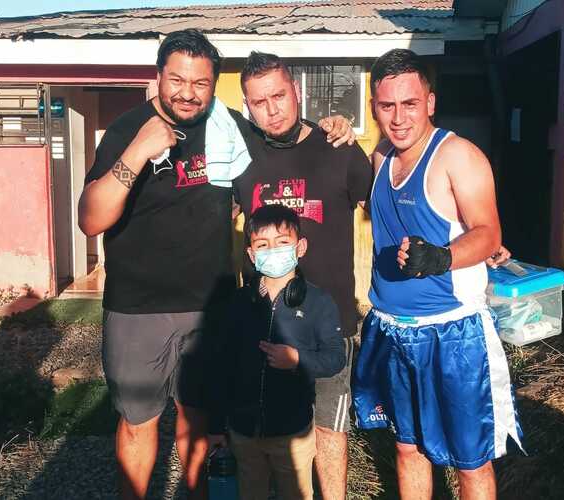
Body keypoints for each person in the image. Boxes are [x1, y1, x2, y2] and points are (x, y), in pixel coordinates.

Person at [77, 29, 355, 500]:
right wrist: (138, 151)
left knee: (200, 420)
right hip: (138, 308)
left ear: (213, 85)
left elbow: (280, 135)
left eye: (201, 83)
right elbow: (90, 219)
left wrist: (333, 125)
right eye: (177, 80)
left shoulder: (227, 126)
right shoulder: (128, 130)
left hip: (211, 306)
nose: (188, 93)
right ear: (158, 76)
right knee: (138, 422)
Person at [351, 49, 523, 500]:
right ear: (373, 108)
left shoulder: (458, 156)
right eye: (387, 106)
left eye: (410, 104)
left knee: (471, 461)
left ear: (429, 102)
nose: (398, 118)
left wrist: (441, 258)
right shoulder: (381, 157)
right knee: (408, 448)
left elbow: (488, 233)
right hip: (391, 328)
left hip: (452, 333)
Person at [232, 51, 373, 499]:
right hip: (265, 327)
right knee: (266, 437)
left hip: (330, 324)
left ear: (296, 90)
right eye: (259, 102)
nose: (272, 110)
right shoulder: (240, 156)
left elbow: (385, 203)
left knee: (329, 432)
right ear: (247, 106)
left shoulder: (339, 148)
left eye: (279, 96)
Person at [207, 204, 345, 500]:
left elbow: (335, 358)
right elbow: (221, 367)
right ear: (251, 254)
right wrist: (217, 425)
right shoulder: (239, 303)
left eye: (282, 242)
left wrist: (298, 360)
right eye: (262, 245)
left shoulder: (319, 302)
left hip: (294, 433)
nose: (273, 250)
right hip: (244, 432)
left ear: (300, 247)